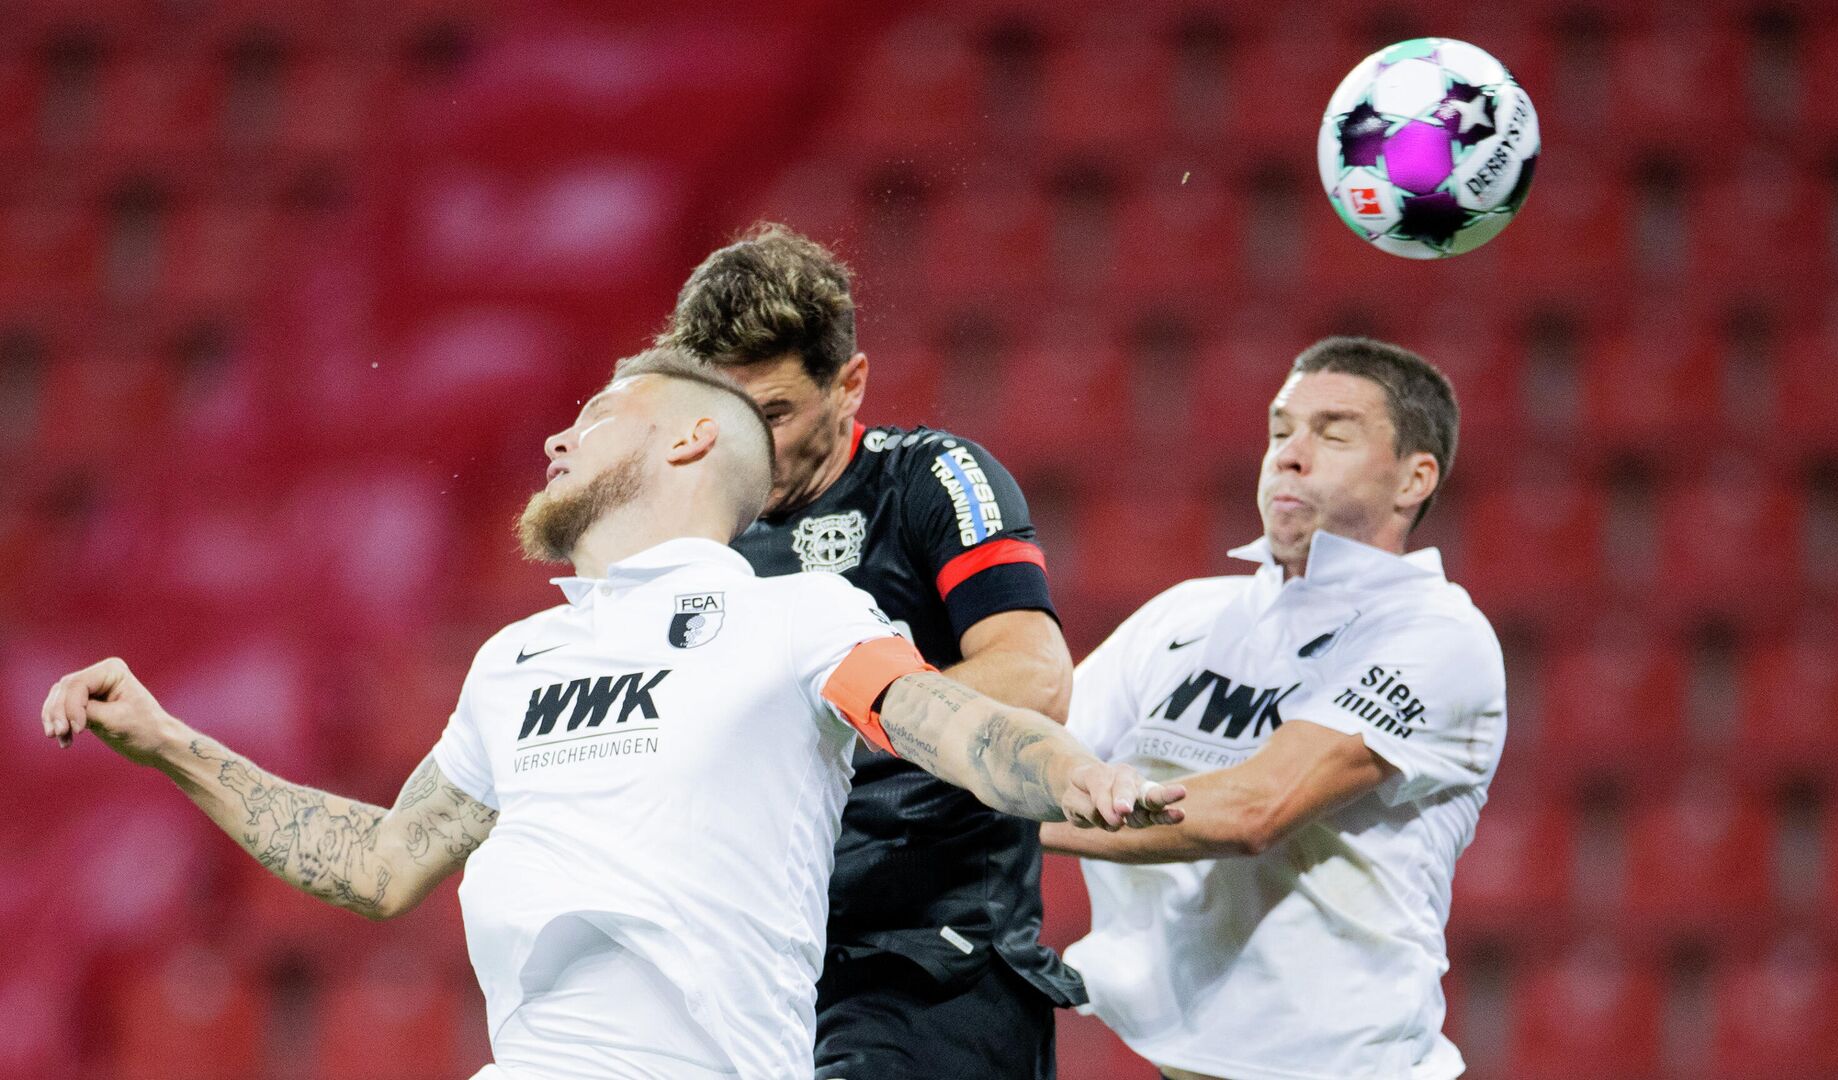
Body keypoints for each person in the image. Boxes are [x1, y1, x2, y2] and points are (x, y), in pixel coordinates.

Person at [39, 350, 1184, 1080]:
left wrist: (1069, 772)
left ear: (688, 440)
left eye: (593, 415)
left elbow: (947, 724)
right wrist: (172, 744)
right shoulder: (518, 656)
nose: (555, 437)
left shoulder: (794, 621)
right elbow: (383, 863)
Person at [634, 223, 1082, 1079]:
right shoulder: (690, 534)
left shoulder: (931, 480)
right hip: (757, 975)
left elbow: (1035, 677)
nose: (748, 447)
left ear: (850, 383)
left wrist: (819, 735)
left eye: (774, 413)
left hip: (934, 967)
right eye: (725, 417)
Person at [1041, 336, 1506, 1080]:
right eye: (1280, 429)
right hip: (1175, 1065)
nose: (1289, 453)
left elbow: (1254, 809)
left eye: (1333, 432)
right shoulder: (1185, 615)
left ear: (1415, 477)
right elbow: (1038, 752)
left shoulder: (1439, 634)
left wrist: (988, 815)